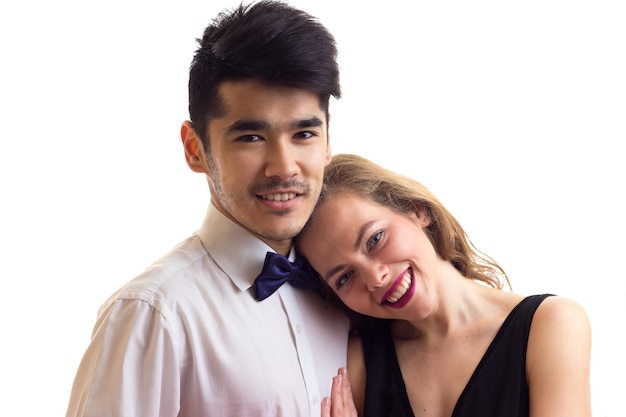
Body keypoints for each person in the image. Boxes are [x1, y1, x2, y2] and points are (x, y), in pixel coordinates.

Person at [64, 2, 350, 416]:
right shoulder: (154, 315)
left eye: (304, 133)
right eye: (251, 137)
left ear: (327, 143)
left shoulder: (351, 290)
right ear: (195, 149)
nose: (284, 167)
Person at [296, 154, 592, 417]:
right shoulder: (358, 363)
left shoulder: (552, 324)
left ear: (416, 210)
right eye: (345, 277)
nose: (375, 278)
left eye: (375, 239)